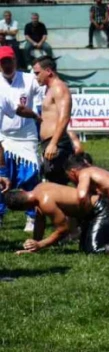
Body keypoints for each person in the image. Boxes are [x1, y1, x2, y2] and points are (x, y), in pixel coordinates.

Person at [0, 46, 43, 232]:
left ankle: (32, 216)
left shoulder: (29, 79)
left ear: (15, 60)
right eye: (2, 62)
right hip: (3, 137)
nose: (6, 65)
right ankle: (0, 214)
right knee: (2, 176)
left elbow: (43, 100)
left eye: (9, 60)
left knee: (31, 175)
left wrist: (38, 116)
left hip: (27, 136)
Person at [28, 58, 74, 187]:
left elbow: (64, 117)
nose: (36, 77)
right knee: (52, 181)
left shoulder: (59, 88)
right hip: (49, 142)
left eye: (37, 73)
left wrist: (53, 143)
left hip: (56, 142)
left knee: (57, 184)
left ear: (48, 71)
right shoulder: (50, 89)